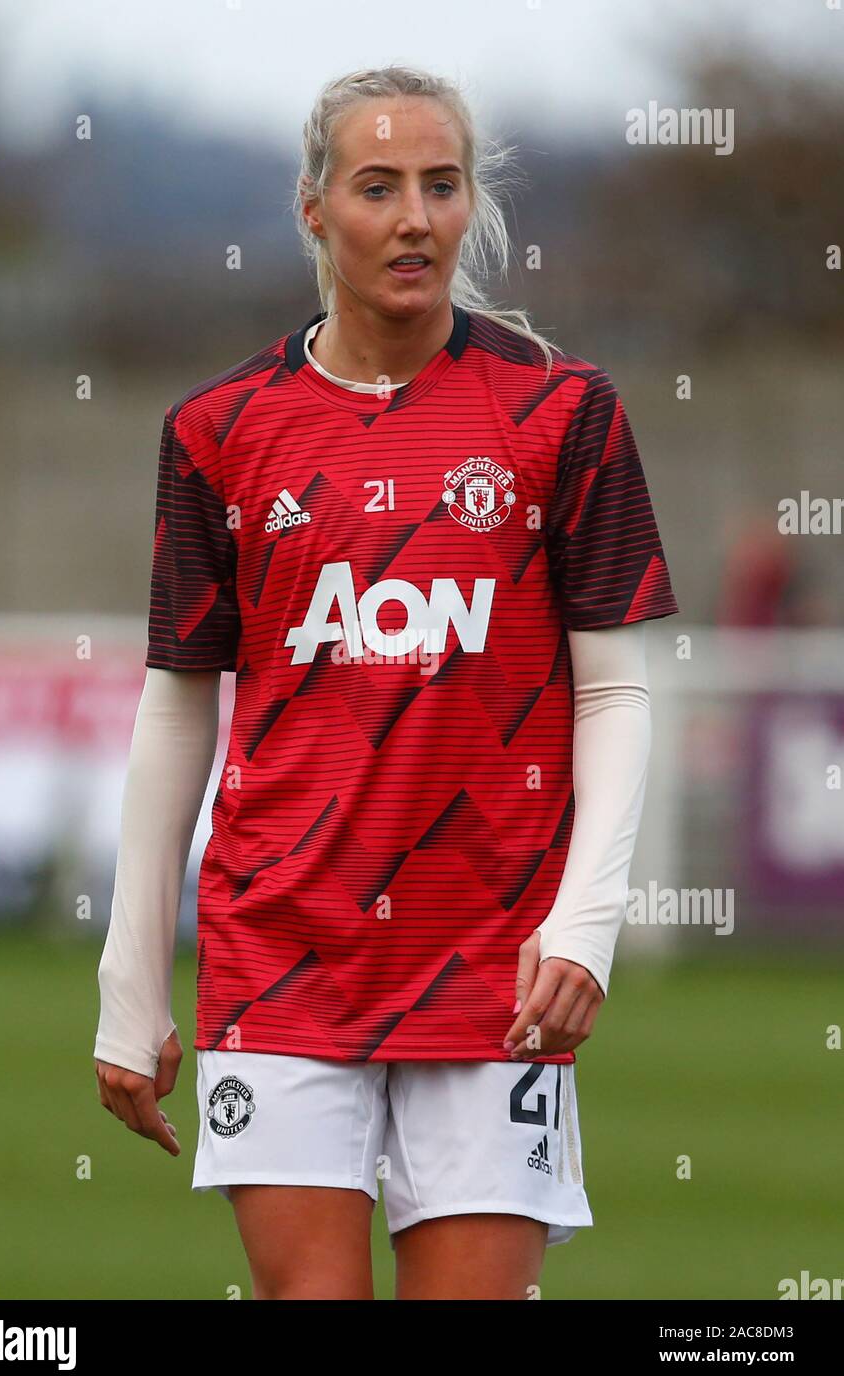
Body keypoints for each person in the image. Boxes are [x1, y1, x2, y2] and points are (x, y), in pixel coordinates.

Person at [94, 64, 679, 1300]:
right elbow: (177, 699)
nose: (414, 217)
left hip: (490, 961)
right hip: (283, 949)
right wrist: (130, 980)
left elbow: (616, 693)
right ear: (315, 208)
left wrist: (585, 924)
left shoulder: (561, 413)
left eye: (440, 185)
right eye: (377, 187)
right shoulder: (220, 430)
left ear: (470, 205)